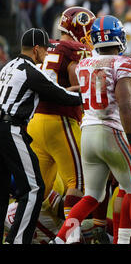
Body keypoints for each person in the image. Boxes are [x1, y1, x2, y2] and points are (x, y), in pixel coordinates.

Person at [53, 15, 131, 244]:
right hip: (111, 131)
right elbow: (125, 104)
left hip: (88, 132)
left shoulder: (85, 63)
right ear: (119, 38)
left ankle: (60, 239)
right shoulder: (123, 63)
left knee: (92, 196)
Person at [0, 28, 82, 244]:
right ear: (36, 49)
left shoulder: (8, 66)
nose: (46, 55)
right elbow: (61, 95)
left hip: (4, 125)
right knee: (35, 188)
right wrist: (87, 94)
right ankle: (18, 240)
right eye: (45, 50)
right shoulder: (31, 71)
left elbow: (51, 89)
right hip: (11, 129)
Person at [26, 7, 96, 223]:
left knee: (38, 189)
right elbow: (77, 81)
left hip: (34, 121)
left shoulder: (48, 46)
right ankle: (70, 237)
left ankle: (17, 231)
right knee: (79, 183)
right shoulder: (75, 48)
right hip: (60, 120)